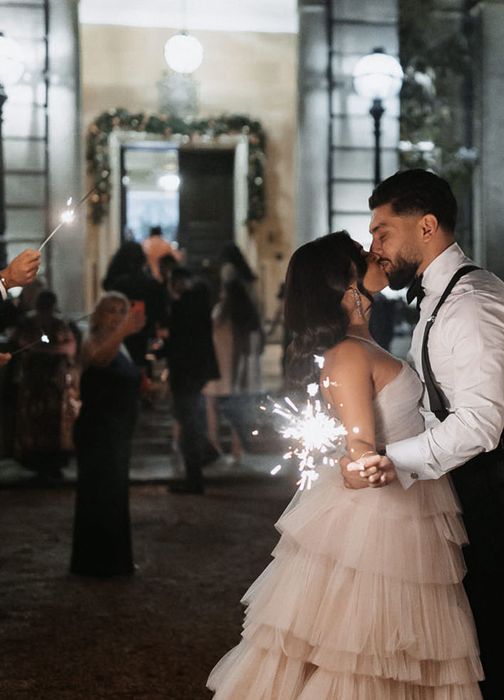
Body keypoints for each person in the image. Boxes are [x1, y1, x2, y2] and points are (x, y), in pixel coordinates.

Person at [207, 231, 483, 698]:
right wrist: (361, 463)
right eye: (360, 257)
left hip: (404, 506)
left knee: (389, 655)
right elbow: (359, 443)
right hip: (382, 522)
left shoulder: (359, 346)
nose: (373, 253)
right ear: (346, 287)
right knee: (365, 655)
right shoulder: (350, 354)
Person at [357, 169, 504, 699]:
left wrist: (394, 457)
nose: (376, 248)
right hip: (475, 472)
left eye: (382, 231)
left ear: (427, 226)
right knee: (473, 631)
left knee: (498, 635)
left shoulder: (472, 303)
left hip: (498, 476)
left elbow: (479, 424)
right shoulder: (442, 296)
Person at [70, 292, 146, 577]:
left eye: (121, 311)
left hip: (118, 431)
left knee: (115, 496)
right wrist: (123, 331)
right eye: (111, 311)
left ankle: (115, 561)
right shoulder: (92, 342)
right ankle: (95, 564)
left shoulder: (122, 346)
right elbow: (100, 359)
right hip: (98, 431)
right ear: (99, 314)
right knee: (99, 495)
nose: (116, 316)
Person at [12, 290, 79, 479]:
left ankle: (48, 461)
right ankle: (43, 461)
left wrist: (42, 350)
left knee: (48, 420)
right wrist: (54, 350)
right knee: (39, 421)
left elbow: (68, 347)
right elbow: (23, 343)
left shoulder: (56, 324)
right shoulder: (34, 323)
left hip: (50, 381)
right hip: (38, 380)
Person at [164, 267, 219, 494]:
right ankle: (201, 460)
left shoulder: (182, 307)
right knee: (190, 418)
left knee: (188, 421)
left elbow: (177, 342)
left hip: (185, 371)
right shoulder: (201, 304)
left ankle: (194, 475)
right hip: (197, 370)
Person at [203, 275, 263, 462]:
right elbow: (258, 344)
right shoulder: (249, 315)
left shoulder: (220, 313)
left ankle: (214, 442)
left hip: (220, 366)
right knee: (239, 408)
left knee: (211, 404)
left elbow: (210, 336)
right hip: (243, 371)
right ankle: (237, 447)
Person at [103, 241, 167, 370]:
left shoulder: (117, 285)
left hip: (119, 339)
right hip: (145, 339)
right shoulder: (153, 286)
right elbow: (161, 316)